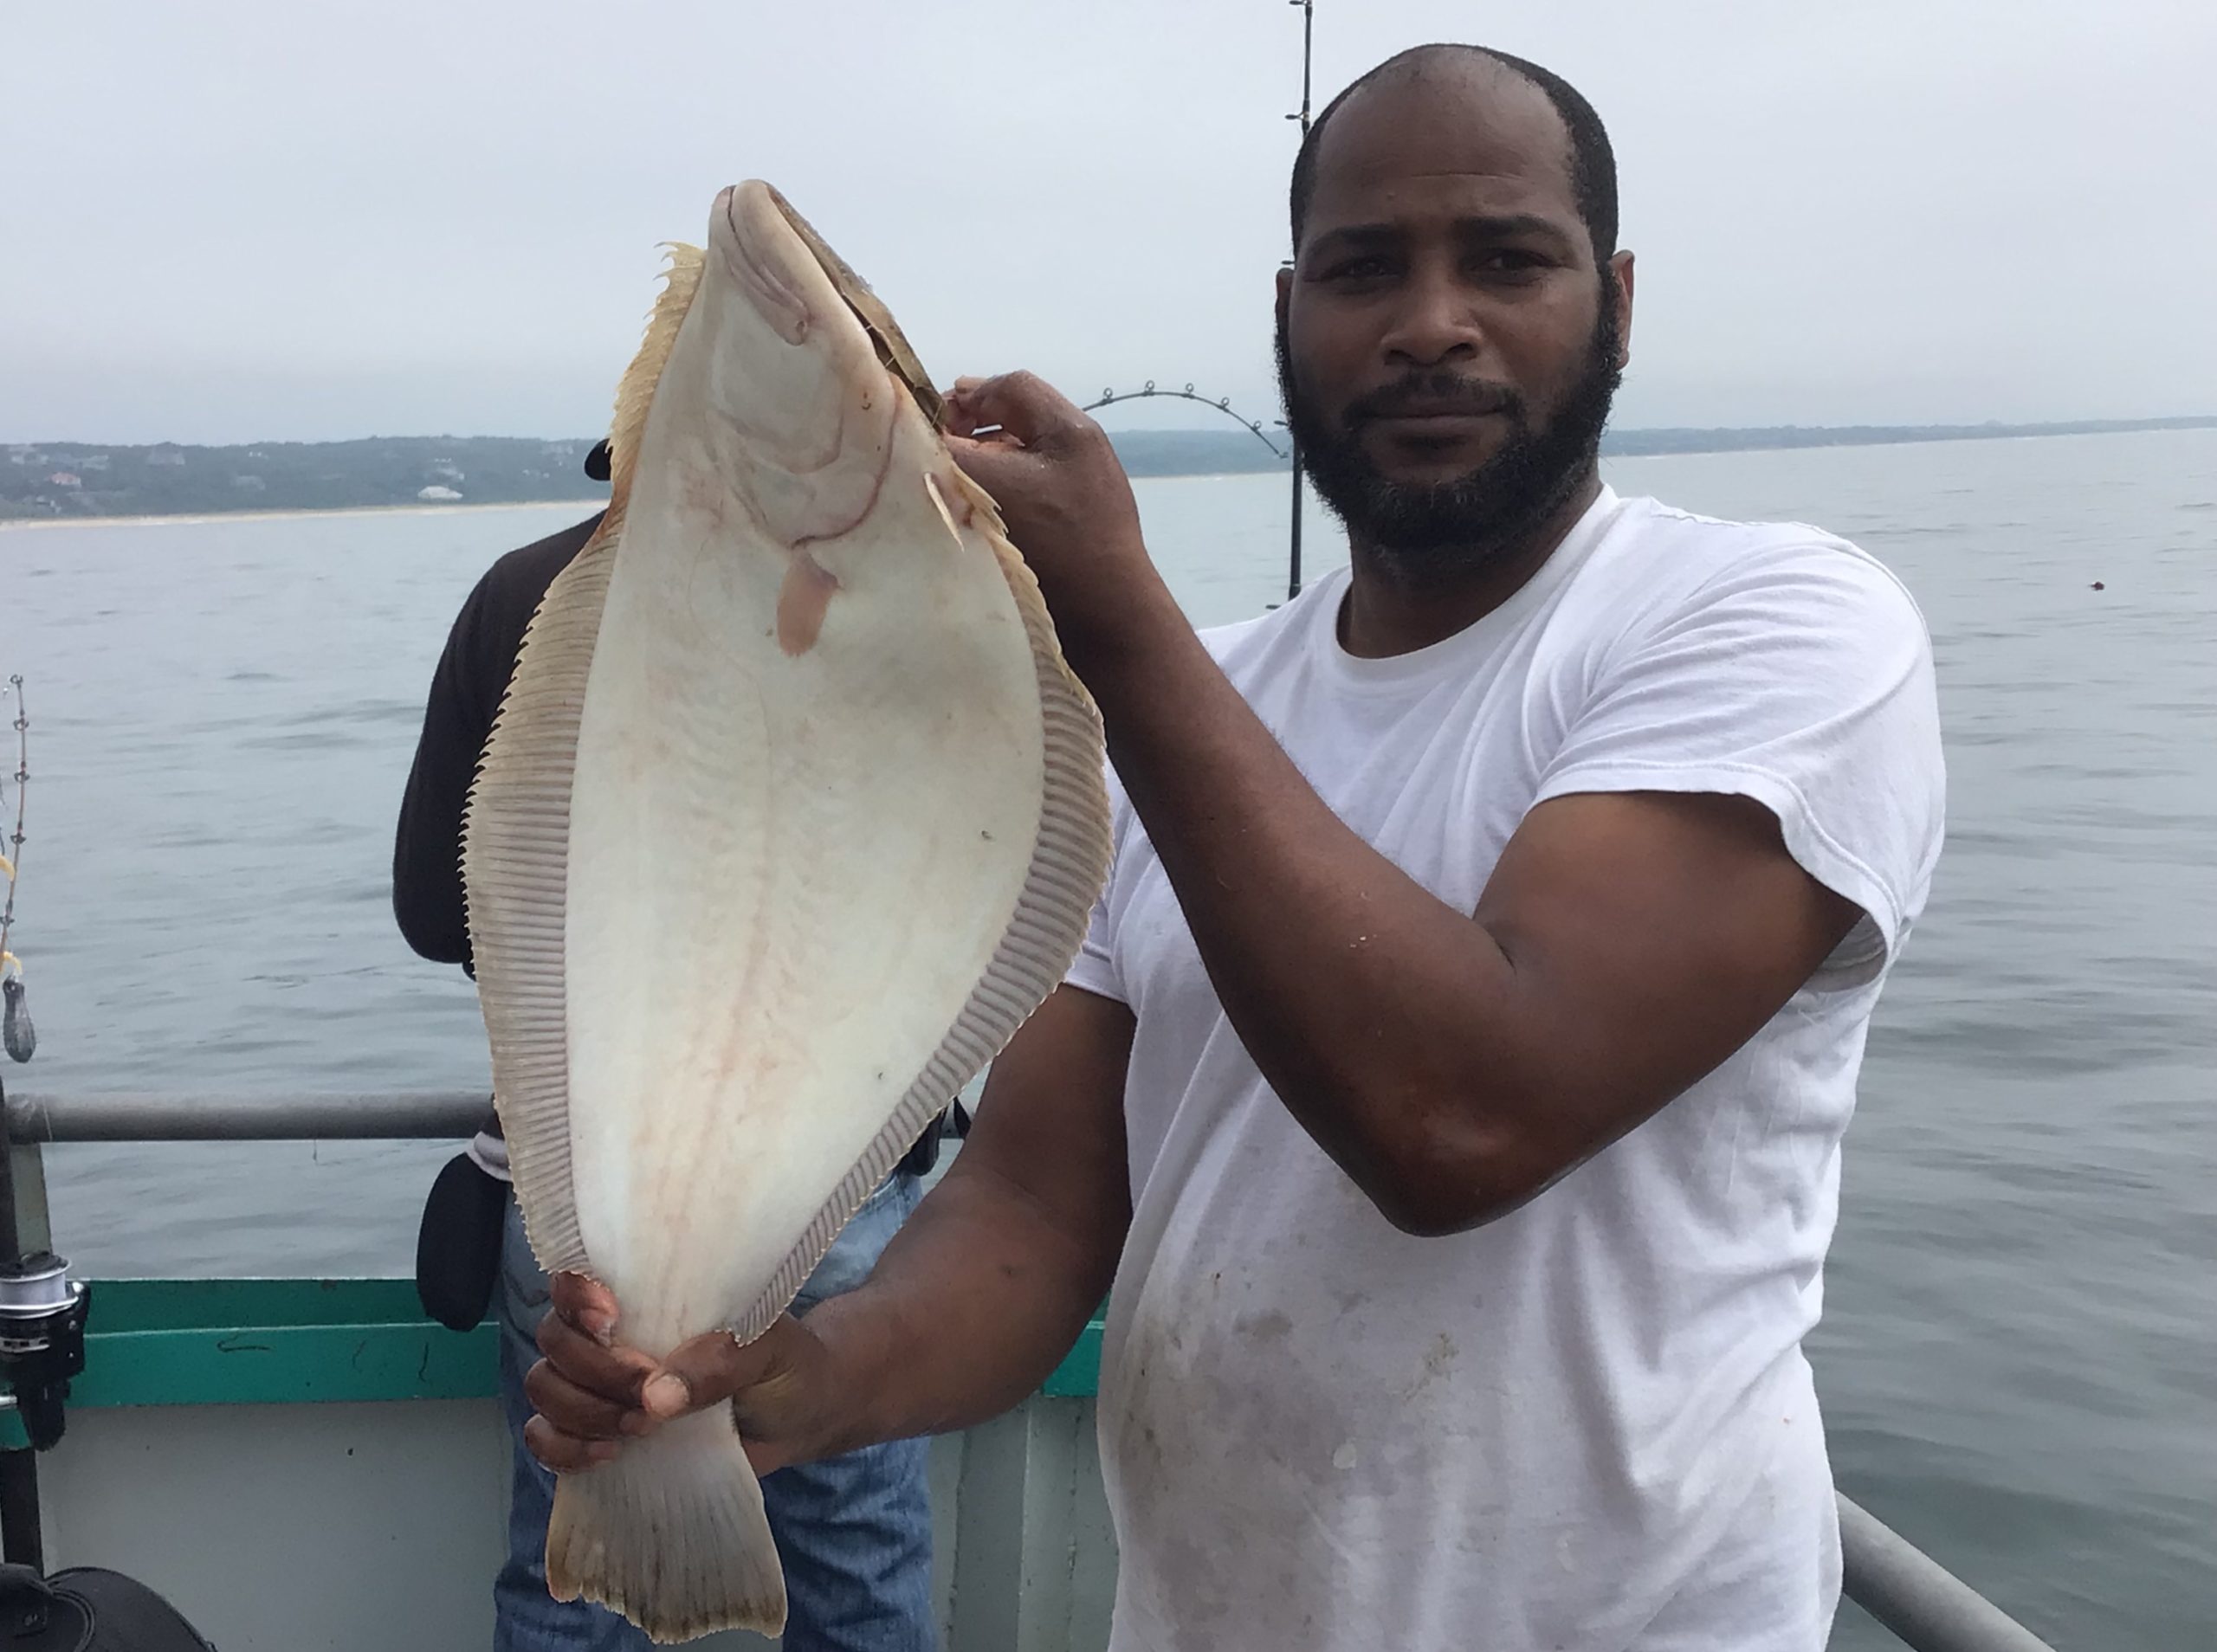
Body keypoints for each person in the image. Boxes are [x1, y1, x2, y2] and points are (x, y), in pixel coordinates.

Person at [524, 42, 1946, 1652]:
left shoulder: (1778, 627)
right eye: (1361, 271)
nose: (1429, 323)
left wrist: (1116, 632)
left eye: (1505, 259)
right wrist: (794, 1378)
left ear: (1617, 301)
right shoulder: (1183, 710)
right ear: (1286, 318)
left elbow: (1464, 1121)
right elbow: (1038, 1213)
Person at [392, 497, 941, 1651]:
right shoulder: (919, 599)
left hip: (588, 1184)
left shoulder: (525, 591)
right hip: (834, 1173)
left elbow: (437, 914)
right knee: (856, 1566)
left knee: (572, 1567)